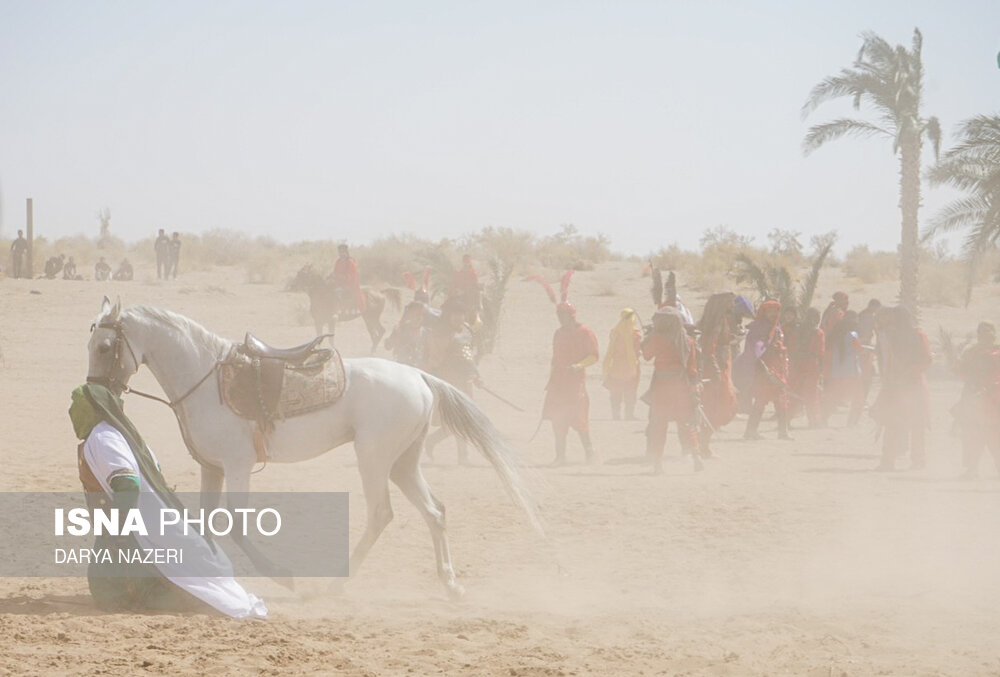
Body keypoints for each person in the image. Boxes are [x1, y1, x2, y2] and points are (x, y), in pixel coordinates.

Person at [68, 384, 267, 617]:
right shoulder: (121, 433)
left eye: (76, 404)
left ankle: (183, 599)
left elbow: (128, 483)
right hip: (150, 518)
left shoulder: (103, 437)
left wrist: (118, 529)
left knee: (108, 588)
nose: (71, 410)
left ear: (90, 408)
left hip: (139, 522)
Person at [531, 271, 599, 465]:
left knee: (578, 419)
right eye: (559, 315)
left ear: (572, 315)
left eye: (564, 315)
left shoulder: (585, 332)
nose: (561, 318)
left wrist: (578, 366)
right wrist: (552, 379)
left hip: (575, 382)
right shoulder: (558, 333)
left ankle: (590, 453)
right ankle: (560, 457)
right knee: (557, 419)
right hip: (558, 383)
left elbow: (594, 356)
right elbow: (555, 359)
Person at [870, 306, 932, 470]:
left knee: (916, 425)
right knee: (893, 423)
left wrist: (908, 371)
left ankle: (918, 460)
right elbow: (887, 361)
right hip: (895, 387)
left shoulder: (918, 336)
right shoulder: (890, 337)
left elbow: (926, 360)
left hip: (914, 386)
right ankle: (888, 461)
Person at [641, 306, 700, 473]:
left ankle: (658, 464)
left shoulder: (657, 339)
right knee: (687, 422)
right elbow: (692, 368)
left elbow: (646, 355)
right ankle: (697, 457)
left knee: (659, 423)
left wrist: (646, 339)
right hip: (682, 386)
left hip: (661, 387)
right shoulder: (687, 340)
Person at [423, 299, 481, 464]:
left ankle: (439, 444)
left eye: (461, 314)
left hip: (466, 381)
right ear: (448, 316)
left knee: (464, 418)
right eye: (455, 314)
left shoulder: (467, 330)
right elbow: (435, 360)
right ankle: (461, 455)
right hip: (447, 381)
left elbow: (469, 356)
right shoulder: (440, 334)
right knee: (456, 419)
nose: (459, 317)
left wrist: (476, 375)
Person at [695, 293, 750, 456]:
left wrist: (732, 338)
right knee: (717, 407)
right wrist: (716, 372)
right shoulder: (717, 323)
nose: (733, 305)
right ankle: (702, 445)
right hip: (716, 370)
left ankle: (702, 444)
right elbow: (708, 350)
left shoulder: (722, 321)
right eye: (730, 302)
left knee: (718, 407)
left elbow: (720, 342)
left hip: (723, 367)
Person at [735, 300, 791, 440]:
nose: (773, 314)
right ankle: (750, 432)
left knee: (781, 399)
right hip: (764, 370)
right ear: (764, 312)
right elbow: (755, 350)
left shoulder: (777, 327)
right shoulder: (759, 327)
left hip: (778, 367)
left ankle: (783, 432)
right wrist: (763, 366)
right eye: (770, 311)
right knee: (761, 399)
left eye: (776, 311)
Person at [951, 322, 1000, 478]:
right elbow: (962, 372)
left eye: (988, 332)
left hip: (992, 399)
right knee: (972, 434)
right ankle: (972, 469)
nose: (986, 336)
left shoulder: (996, 352)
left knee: (993, 435)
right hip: (973, 397)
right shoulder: (972, 352)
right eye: (983, 333)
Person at [823, 310, 864, 426]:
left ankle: (823, 418)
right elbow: (859, 349)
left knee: (834, 397)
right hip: (852, 372)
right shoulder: (853, 335)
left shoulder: (834, 334)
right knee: (858, 398)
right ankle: (852, 422)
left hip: (837, 372)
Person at [602, 308, 642, 420]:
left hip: (616, 367)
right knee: (630, 391)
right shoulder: (636, 334)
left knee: (615, 392)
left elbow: (612, 350)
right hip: (631, 368)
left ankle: (616, 415)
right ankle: (629, 415)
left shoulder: (614, 332)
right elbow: (637, 351)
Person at [789, 307, 825, 427]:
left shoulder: (797, 330)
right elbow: (820, 352)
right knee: (811, 393)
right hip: (811, 364)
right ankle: (813, 421)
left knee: (795, 391)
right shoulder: (818, 332)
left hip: (796, 363)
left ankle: (786, 420)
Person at [385, 301, 428, 367]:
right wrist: (391, 340)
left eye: (422, 314)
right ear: (410, 314)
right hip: (399, 366)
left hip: (417, 371)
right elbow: (388, 347)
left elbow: (427, 357)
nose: (419, 317)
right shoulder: (401, 329)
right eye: (416, 314)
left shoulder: (425, 333)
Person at [857, 298, 882, 401]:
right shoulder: (871, 318)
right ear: (872, 306)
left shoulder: (860, 315)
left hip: (858, 346)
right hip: (865, 347)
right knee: (868, 373)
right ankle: (862, 398)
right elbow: (877, 331)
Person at [330, 244, 365, 317]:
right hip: (339, 283)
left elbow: (351, 276)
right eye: (340, 252)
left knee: (337, 292)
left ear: (346, 252)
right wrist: (332, 276)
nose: (341, 254)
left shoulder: (350, 262)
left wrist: (340, 277)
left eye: (343, 252)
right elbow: (335, 272)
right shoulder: (338, 261)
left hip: (350, 284)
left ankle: (340, 310)